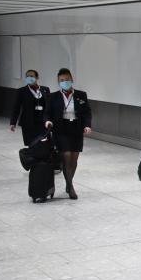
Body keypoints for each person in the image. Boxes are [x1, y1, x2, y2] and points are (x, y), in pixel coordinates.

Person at [43, 68, 92, 200]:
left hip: (76, 129)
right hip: (60, 129)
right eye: (62, 80)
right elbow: (47, 112)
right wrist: (47, 121)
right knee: (66, 156)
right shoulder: (53, 97)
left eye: (67, 79)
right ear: (58, 82)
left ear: (72, 79)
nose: (65, 82)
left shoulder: (81, 95)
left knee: (74, 158)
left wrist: (87, 125)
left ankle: (68, 182)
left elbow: (87, 112)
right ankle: (70, 187)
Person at [9, 69, 49, 146]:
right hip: (28, 123)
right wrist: (13, 122)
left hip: (42, 123)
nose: (29, 78)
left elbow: (49, 106)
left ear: (37, 78)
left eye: (31, 76)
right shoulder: (21, 91)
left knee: (43, 144)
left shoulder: (45, 89)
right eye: (27, 76)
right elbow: (16, 107)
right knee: (31, 144)